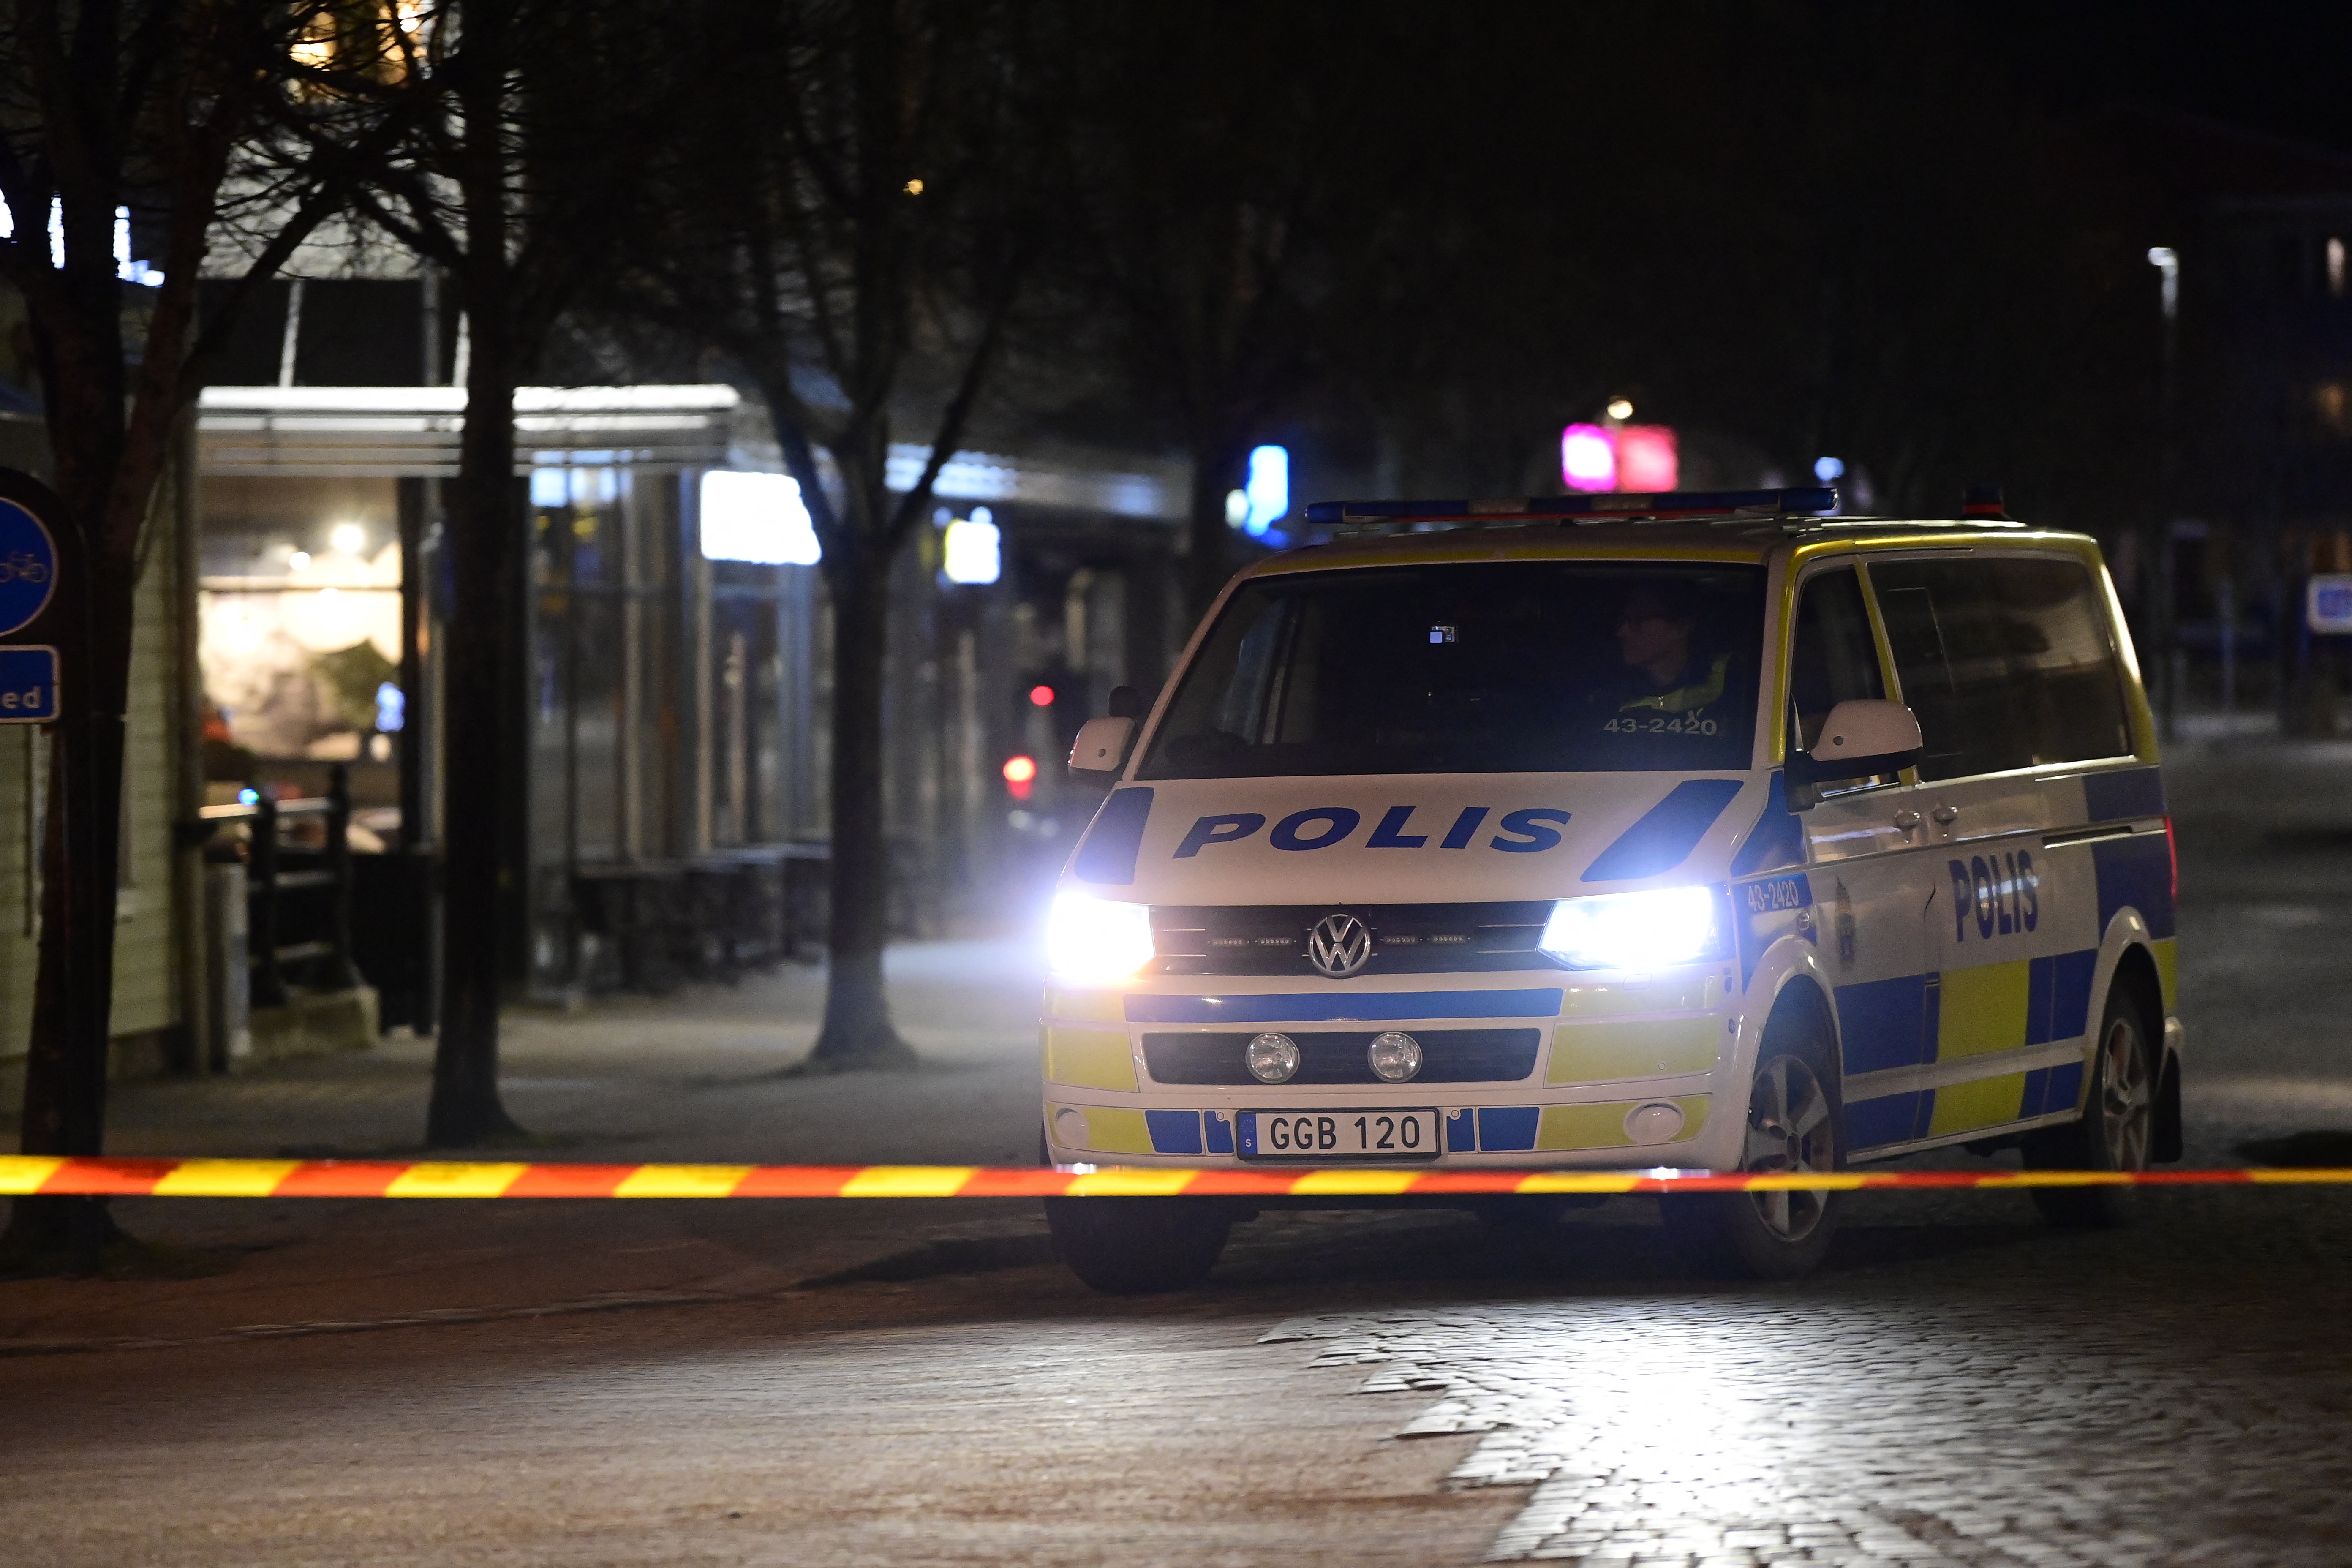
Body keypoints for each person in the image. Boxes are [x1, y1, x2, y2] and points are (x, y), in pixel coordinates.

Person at [1587, 580, 1734, 741]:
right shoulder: (1602, 694)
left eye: (1637, 621)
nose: (1622, 632)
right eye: (1623, 621)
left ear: (1681, 628)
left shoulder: (1736, 686)